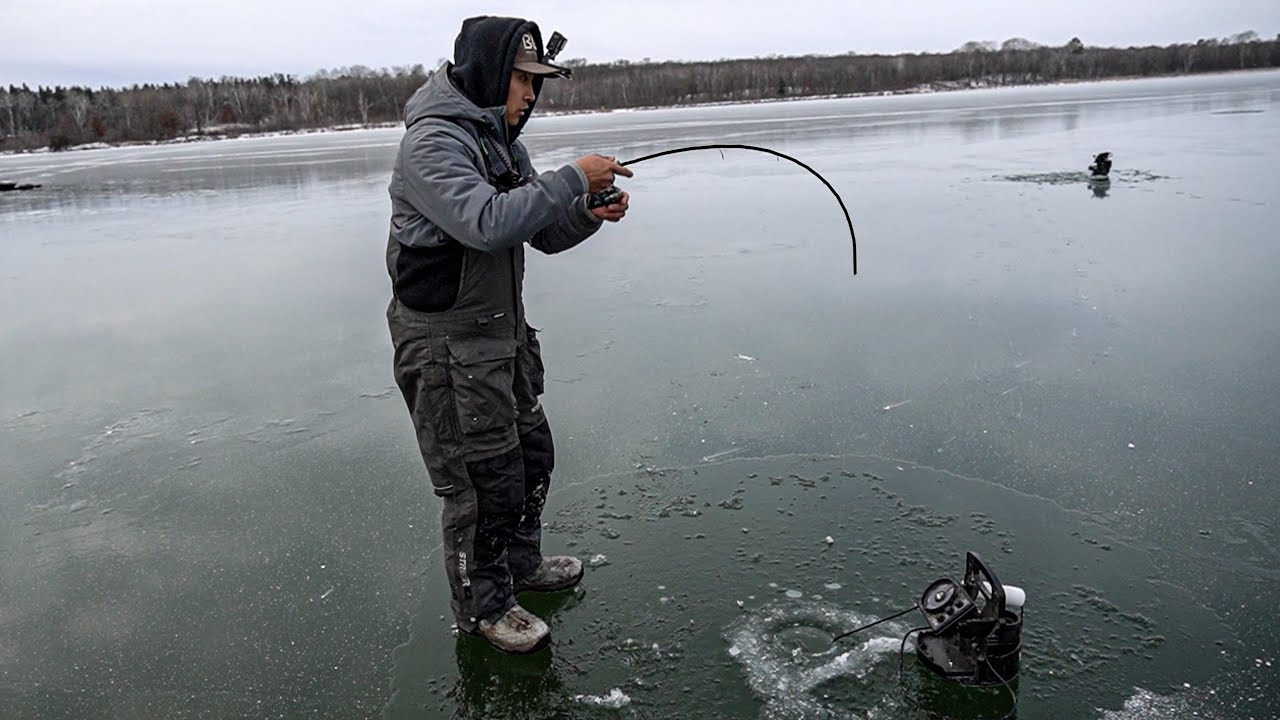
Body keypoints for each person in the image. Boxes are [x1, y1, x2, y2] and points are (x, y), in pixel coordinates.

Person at [384, 15, 632, 655]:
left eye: (536, 83)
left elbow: (541, 232)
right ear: (491, 75)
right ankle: (483, 608)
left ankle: (520, 566)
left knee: (533, 457)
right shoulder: (433, 145)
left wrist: (587, 213)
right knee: (482, 486)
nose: (530, 95)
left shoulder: (502, 144)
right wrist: (575, 176)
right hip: (448, 353)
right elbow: (488, 222)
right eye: (523, 80)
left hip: (501, 342)